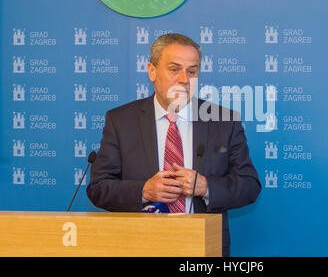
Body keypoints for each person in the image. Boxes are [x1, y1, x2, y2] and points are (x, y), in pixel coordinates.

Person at [86, 33, 261, 257]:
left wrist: (206, 187)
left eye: (192, 71)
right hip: (139, 247)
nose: (184, 80)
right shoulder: (121, 121)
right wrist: (143, 191)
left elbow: (249, 185)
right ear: (152, 71)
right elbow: (99, 187)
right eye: (174, 69)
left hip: (202, 249)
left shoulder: (223, 121)